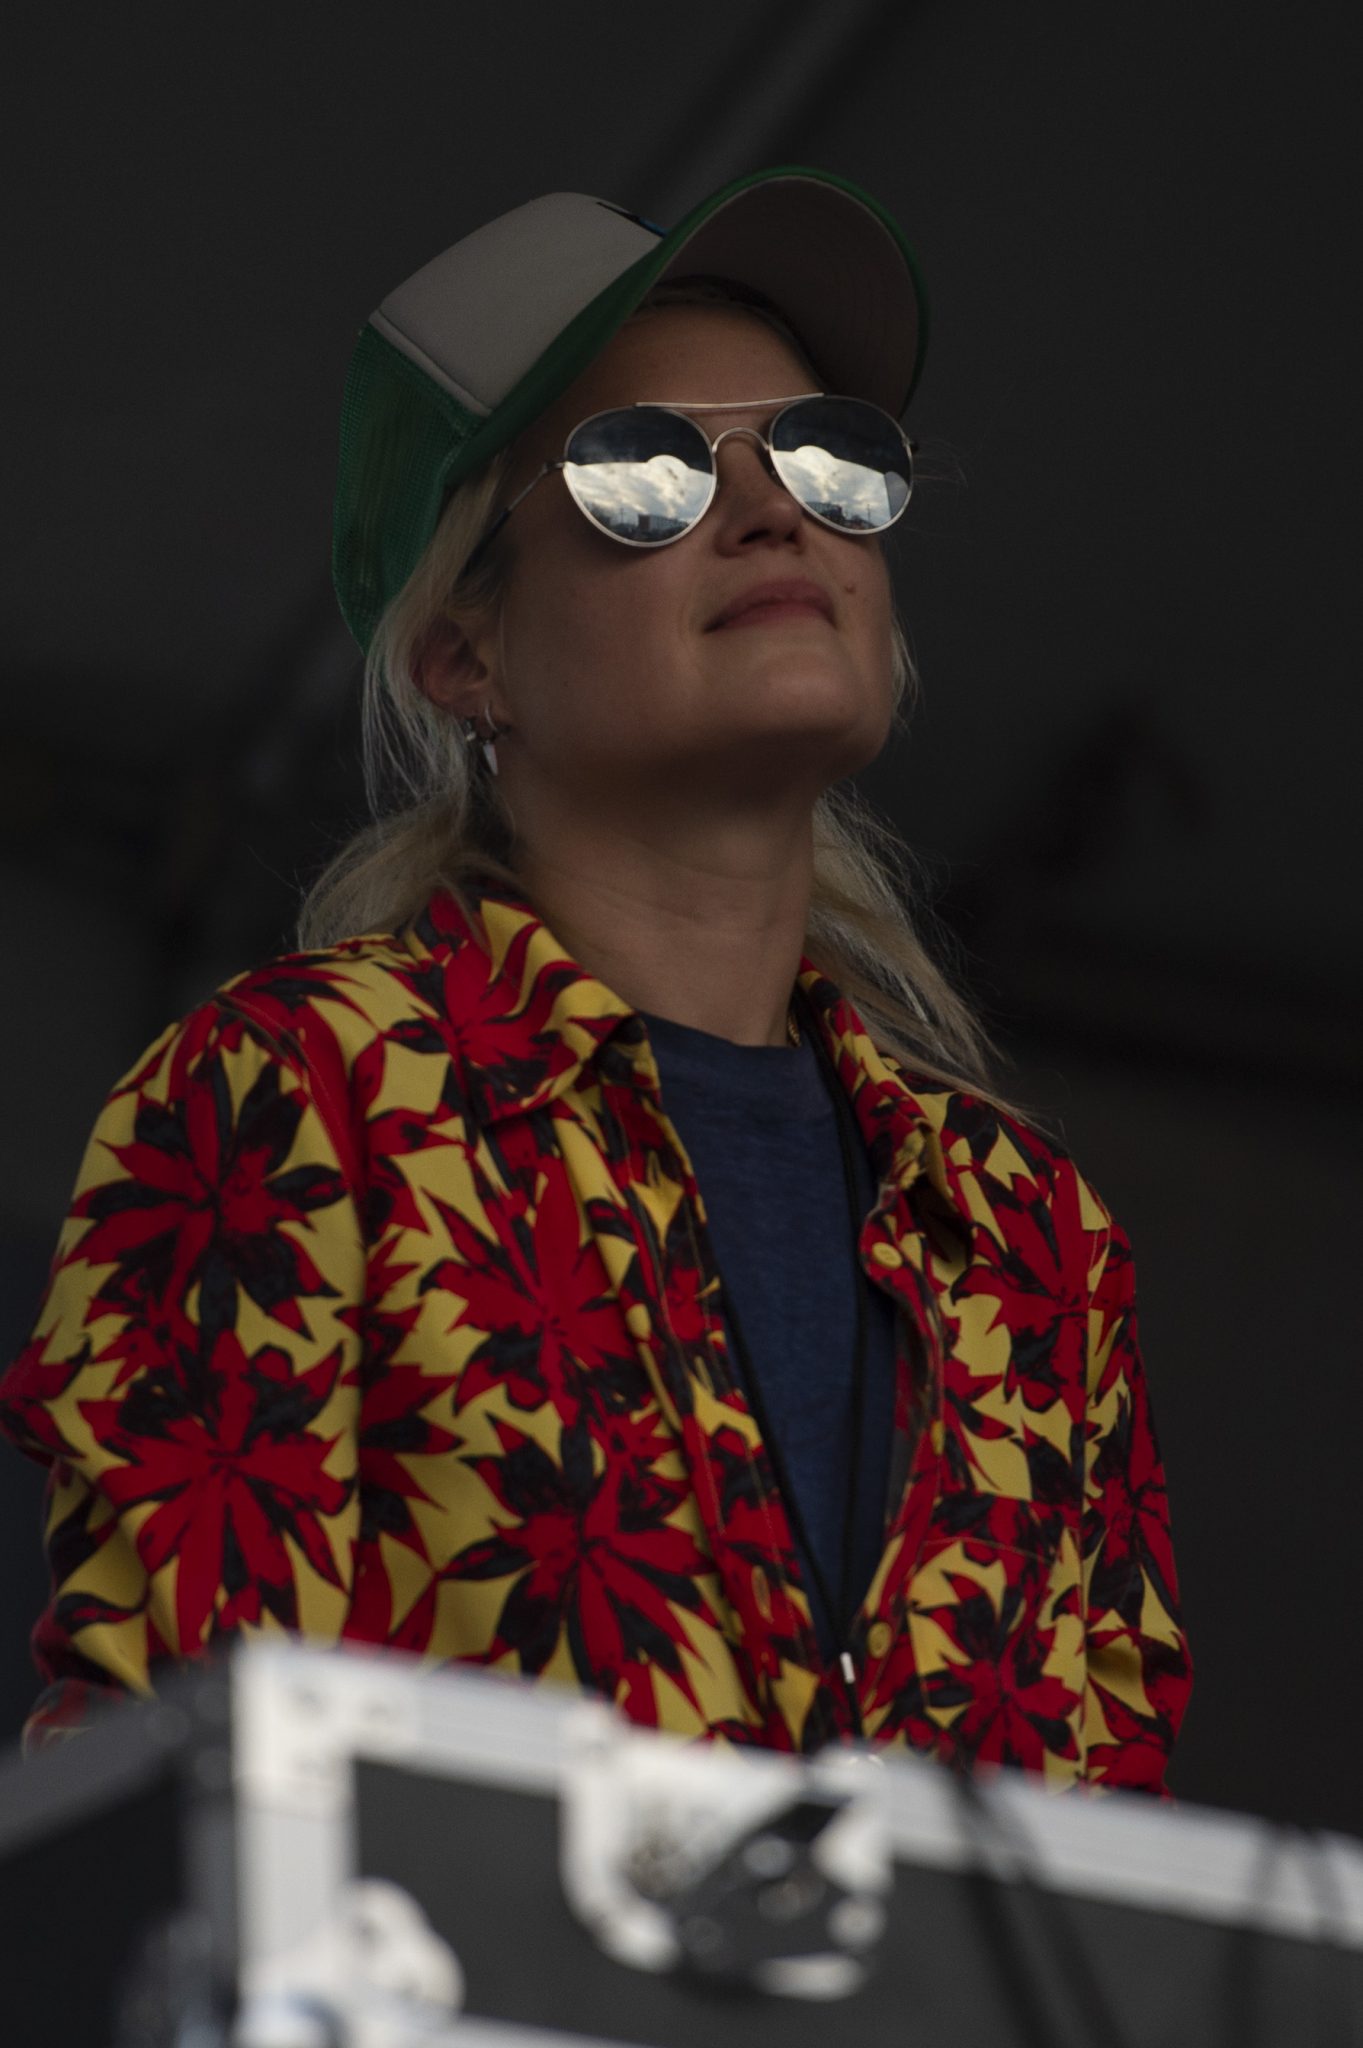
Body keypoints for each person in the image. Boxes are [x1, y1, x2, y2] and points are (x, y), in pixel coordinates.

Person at [0, 168, 1190, 1787]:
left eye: (829, 456)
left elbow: (1103, 1864)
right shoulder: (307, 1095)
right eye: (645, 470)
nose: (773, 510)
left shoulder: (1028, 1232)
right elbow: (185, 1796)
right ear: (464, 654)